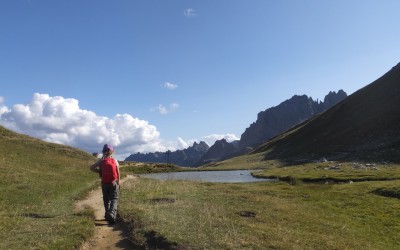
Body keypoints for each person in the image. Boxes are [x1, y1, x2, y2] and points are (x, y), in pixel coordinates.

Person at [90, 144, 120, 224]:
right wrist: (118, 181)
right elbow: (118, 171)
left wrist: (100, 172)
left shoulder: (101, 161)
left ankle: (107, 214)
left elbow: (91, 168)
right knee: (114, 198)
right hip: (113, 182)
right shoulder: (114, 160)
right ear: (112, 152)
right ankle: (112, 214)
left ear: (103, 151)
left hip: (104, 182)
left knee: (106, 199)